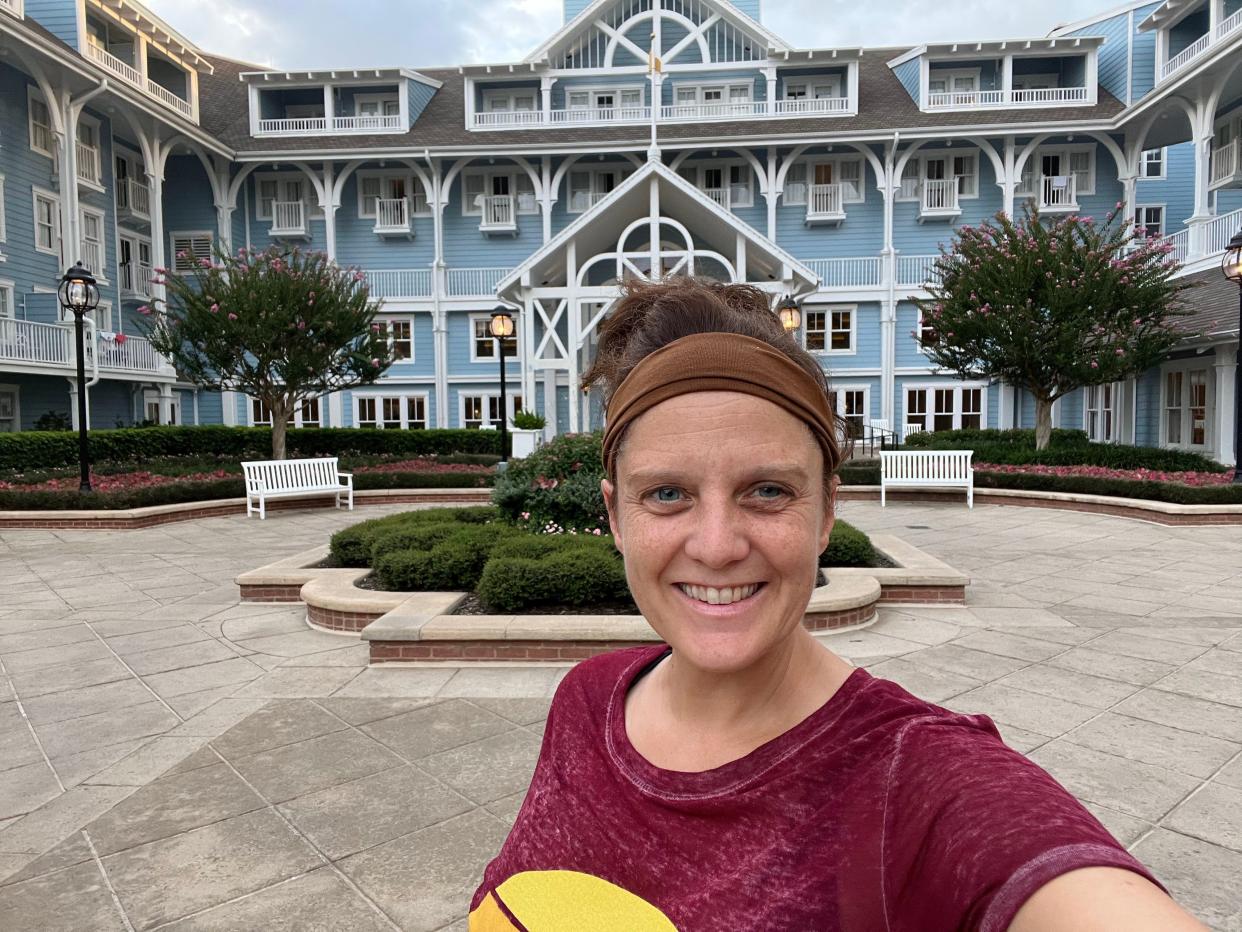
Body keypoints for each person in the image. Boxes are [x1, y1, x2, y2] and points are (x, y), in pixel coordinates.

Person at [468, 278, 1204, 931]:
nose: (718, 545)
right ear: (617, 516)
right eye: (668, 494)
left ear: (824, 515)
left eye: (768, 491)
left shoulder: (913, 779)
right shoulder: (587, 701)